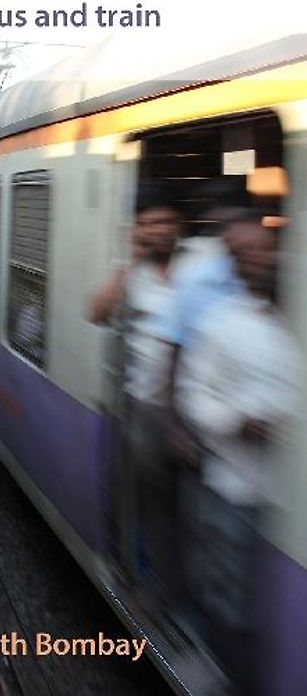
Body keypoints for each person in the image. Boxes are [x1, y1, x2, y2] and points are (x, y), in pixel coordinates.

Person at [176, 216, 304, 693]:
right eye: (247, 256)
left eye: (266, 252)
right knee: (231, 595)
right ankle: (224, 671)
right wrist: (239, 421)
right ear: (235, 266)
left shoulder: (293, 325)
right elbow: (193, 396)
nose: (260, 261)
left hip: (287, 499)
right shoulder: (224, 325)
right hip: (235, 484)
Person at [90, 183, 183, 597]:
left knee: (168, 507)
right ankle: (138, 574)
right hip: (140, 402)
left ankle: (161, 584)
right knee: (135, 497)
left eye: (162, 221)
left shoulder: (196, 268)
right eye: (146, 223)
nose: (155, 230)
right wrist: (129, 262)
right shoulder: (132, 268)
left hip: (181, 407)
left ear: (177, 225)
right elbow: (97, 311)